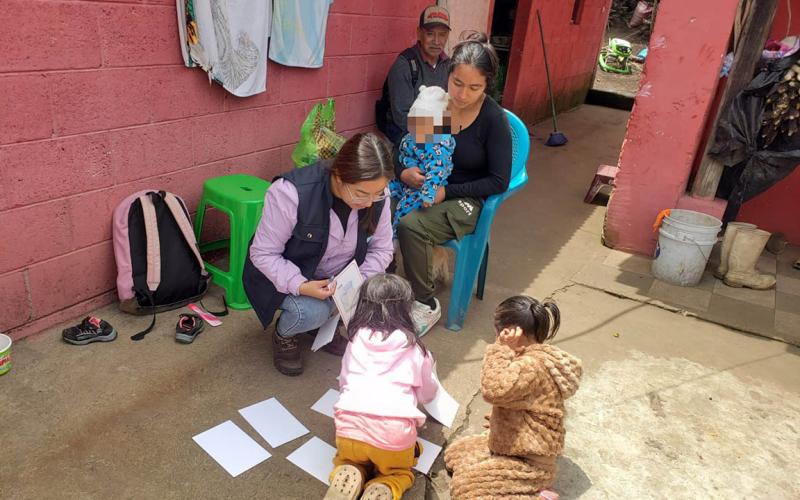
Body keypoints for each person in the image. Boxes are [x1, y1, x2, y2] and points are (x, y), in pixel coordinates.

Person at [242, 133, 394, 376]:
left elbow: (383, 249)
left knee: (381, 297)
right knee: (313, 311)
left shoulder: (377, 195)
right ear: (338, 175)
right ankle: (285, 335)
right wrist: (301, 285)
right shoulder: (290, 192)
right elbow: (263, 254)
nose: (369, 203)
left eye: (377, 193)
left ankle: (321, 326)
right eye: (361, 194)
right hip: (285, 276)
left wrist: (358, 282)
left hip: (337, 277)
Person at [396, 32, 513, 335]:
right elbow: (410, 143)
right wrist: (403, 171)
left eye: (474, 87)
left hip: (466, 197)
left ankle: (425, 303)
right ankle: (384, 288)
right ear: (448, 75)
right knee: (374, 204)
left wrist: (447, 191)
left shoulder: (492, 119)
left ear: (487, 85)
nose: (462, 95)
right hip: (423, 186)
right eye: (457, 83)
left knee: (411, 225)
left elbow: (499, 181)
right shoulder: (435, 104)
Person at [443, 296, 582, 499]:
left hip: (529, 462)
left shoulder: (531, 366)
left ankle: (537, 493)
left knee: (464, 490)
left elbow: (493, 390)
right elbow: (523, 402)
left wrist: (500, 348)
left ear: (508, 331)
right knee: (455, 456)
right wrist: (502, 421)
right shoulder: (529, 355)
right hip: (512, 444)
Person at [324, 273, 437, 500]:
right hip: (393, 439)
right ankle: (385, 486)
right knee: (400, 472)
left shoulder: (355, 342)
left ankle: (348, 471)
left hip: (348, 432)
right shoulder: (415, 349)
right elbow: (428, 393)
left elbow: (345, 381)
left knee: (347, 459)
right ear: (406, 308)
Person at [377, 5, 451, 145]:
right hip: (404, 134)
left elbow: (451, 108)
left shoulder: (448, 65)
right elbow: (402, 118)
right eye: (430, 33)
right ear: (419, 33)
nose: (436, 41)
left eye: (442, 34)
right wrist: (439, 137)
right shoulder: (404, 65)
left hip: (437, 135)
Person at [389, 85, 455, 235]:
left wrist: (428, 194)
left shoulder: (438, 146)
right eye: (414, 123)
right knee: (382, 193)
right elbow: (400, 150)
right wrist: (401, 170)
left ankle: (394, 240)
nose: (416, 130)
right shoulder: (413, 135)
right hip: (403, 179)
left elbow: (437, 171)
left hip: (421, 186)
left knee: (403, 210)